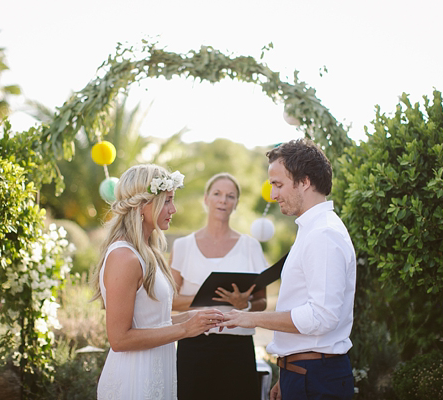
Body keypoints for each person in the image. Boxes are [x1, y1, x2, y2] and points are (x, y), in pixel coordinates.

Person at [219, 139, 357, 400]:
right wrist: (287, 373)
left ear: (304, 181)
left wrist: (251, 318)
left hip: (315, 378)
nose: (272, 195)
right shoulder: (312, 230)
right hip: (304, 373)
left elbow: (322, 317)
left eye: (278, 185)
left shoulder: (324, 234)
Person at [92, 164, 224, 400]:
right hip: (134, 378)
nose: (173, 209)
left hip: (157, 371)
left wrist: (194, 317)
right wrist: (184, 330)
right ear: (143, 205)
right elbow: (119, 339)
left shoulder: (147, 252)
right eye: (167, 200)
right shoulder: (124, 257)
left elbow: (152, 322)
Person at [170, 172, 268, 400]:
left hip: (238, 346)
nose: (223, 200)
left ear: (236, 204)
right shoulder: (183, 246)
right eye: (217, 194)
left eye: (230, 196)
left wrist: (246, 303)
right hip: (193, 344)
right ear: (206, 199)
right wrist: (209, 298)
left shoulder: (250, 246)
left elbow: (262, 302)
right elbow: (170, 301)